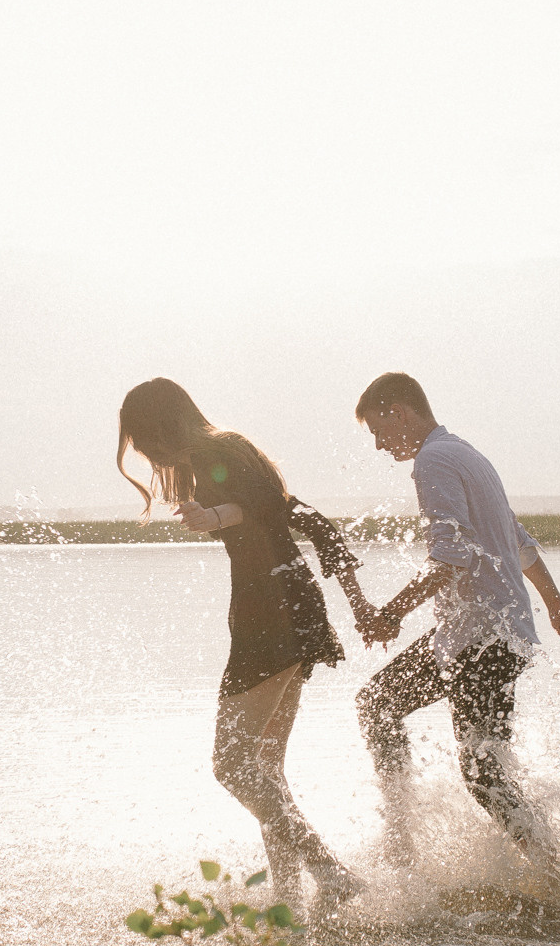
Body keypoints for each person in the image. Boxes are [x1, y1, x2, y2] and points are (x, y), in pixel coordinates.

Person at [118, 379, 371, 914]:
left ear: (159, 425)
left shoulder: (218, 450)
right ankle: (290, 902)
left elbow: (269, 509)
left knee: (231, 765)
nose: (140, 451)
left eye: (140, 438)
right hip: (288, 603)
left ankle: (331, 874)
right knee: (264, 769)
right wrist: (355, 598)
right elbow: (299, 513)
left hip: (273, 611)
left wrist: (217, 515)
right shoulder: (227, 449)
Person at [349, 372, 560, 907]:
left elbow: (452, 552)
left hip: (480, 639)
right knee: (389, 711)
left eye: (377, 428)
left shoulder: (433, 461)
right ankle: (406, 849)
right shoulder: (469, 455)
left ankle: (556, 883)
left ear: (400, 412)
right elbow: (520, 542)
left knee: (476, 770)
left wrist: (389, 612)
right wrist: (553, 603)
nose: (377, 443)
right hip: (486, 635)